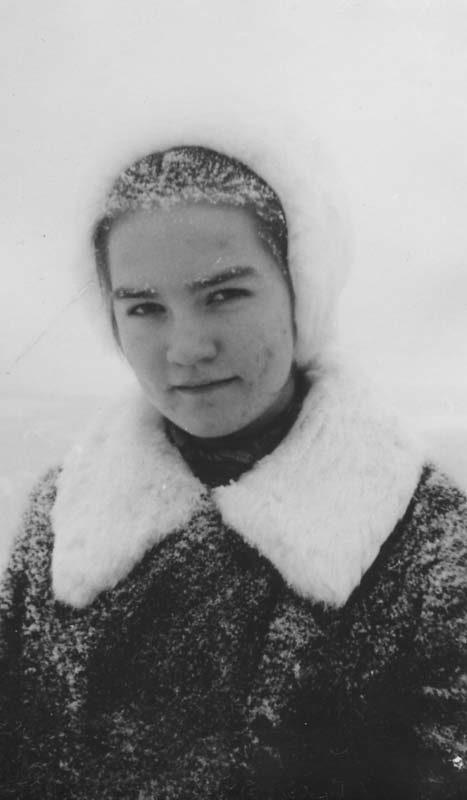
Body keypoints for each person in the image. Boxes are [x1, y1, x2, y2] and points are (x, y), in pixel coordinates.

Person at [1, 123, 466, 800]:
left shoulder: (429, 542)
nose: (186, 348)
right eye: (145, 307)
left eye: (223, 295)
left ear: (300, 292)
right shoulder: (61, 515)